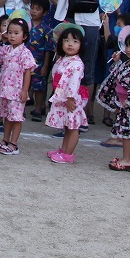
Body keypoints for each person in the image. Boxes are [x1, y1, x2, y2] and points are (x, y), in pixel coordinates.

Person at [50, 0, 111, 120]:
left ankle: (83, 113)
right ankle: (58, 110)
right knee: (61, 63)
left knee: (87, 66)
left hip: (90, 20)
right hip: (66, 16)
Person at [97, 29, 130, 171]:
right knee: (124, 132)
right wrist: (116, 62)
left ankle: (127, 159)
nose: (128, 49)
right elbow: (117, 76)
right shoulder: (128, 64)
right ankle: (126, 158)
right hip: (123, 105)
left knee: (127, 133)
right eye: (127, 45)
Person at [0, 16, 35, 156]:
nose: (12, 36)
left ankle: (13, 143)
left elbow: (28, 72)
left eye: (16, 33)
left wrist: (25, 90)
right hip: (5, 89)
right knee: (7, 116)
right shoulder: (6, 49)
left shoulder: (25, 53)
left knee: (16, 117)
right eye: (10, 32)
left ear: (24, 36)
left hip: (17, 90)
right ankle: (5, 140)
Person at [47, 25, 88, 164]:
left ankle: (68, 154)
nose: (70, 44)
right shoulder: (63, 59)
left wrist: (70, 98)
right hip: (63, 96)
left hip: (71, 98)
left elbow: (74, 82)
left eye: (75, 41)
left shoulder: (77, 63)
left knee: (73, 127)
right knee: (67, 126)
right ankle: (63, 150)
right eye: (66, 40)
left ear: (81, 45)